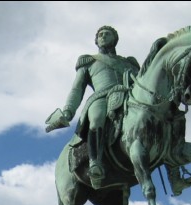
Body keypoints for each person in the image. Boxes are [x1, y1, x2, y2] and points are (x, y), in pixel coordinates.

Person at [45, 26, 140, 188]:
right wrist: (68, 111)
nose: (103, 36)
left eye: (107, 34)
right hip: (101, 97)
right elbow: (77, 88)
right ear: (96, 41)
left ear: (115, 39)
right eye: (100, 35)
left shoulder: (128, 63)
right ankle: (95, 163)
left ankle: (174, 171)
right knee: (96, 120)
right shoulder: (89, 61)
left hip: (129, 97)